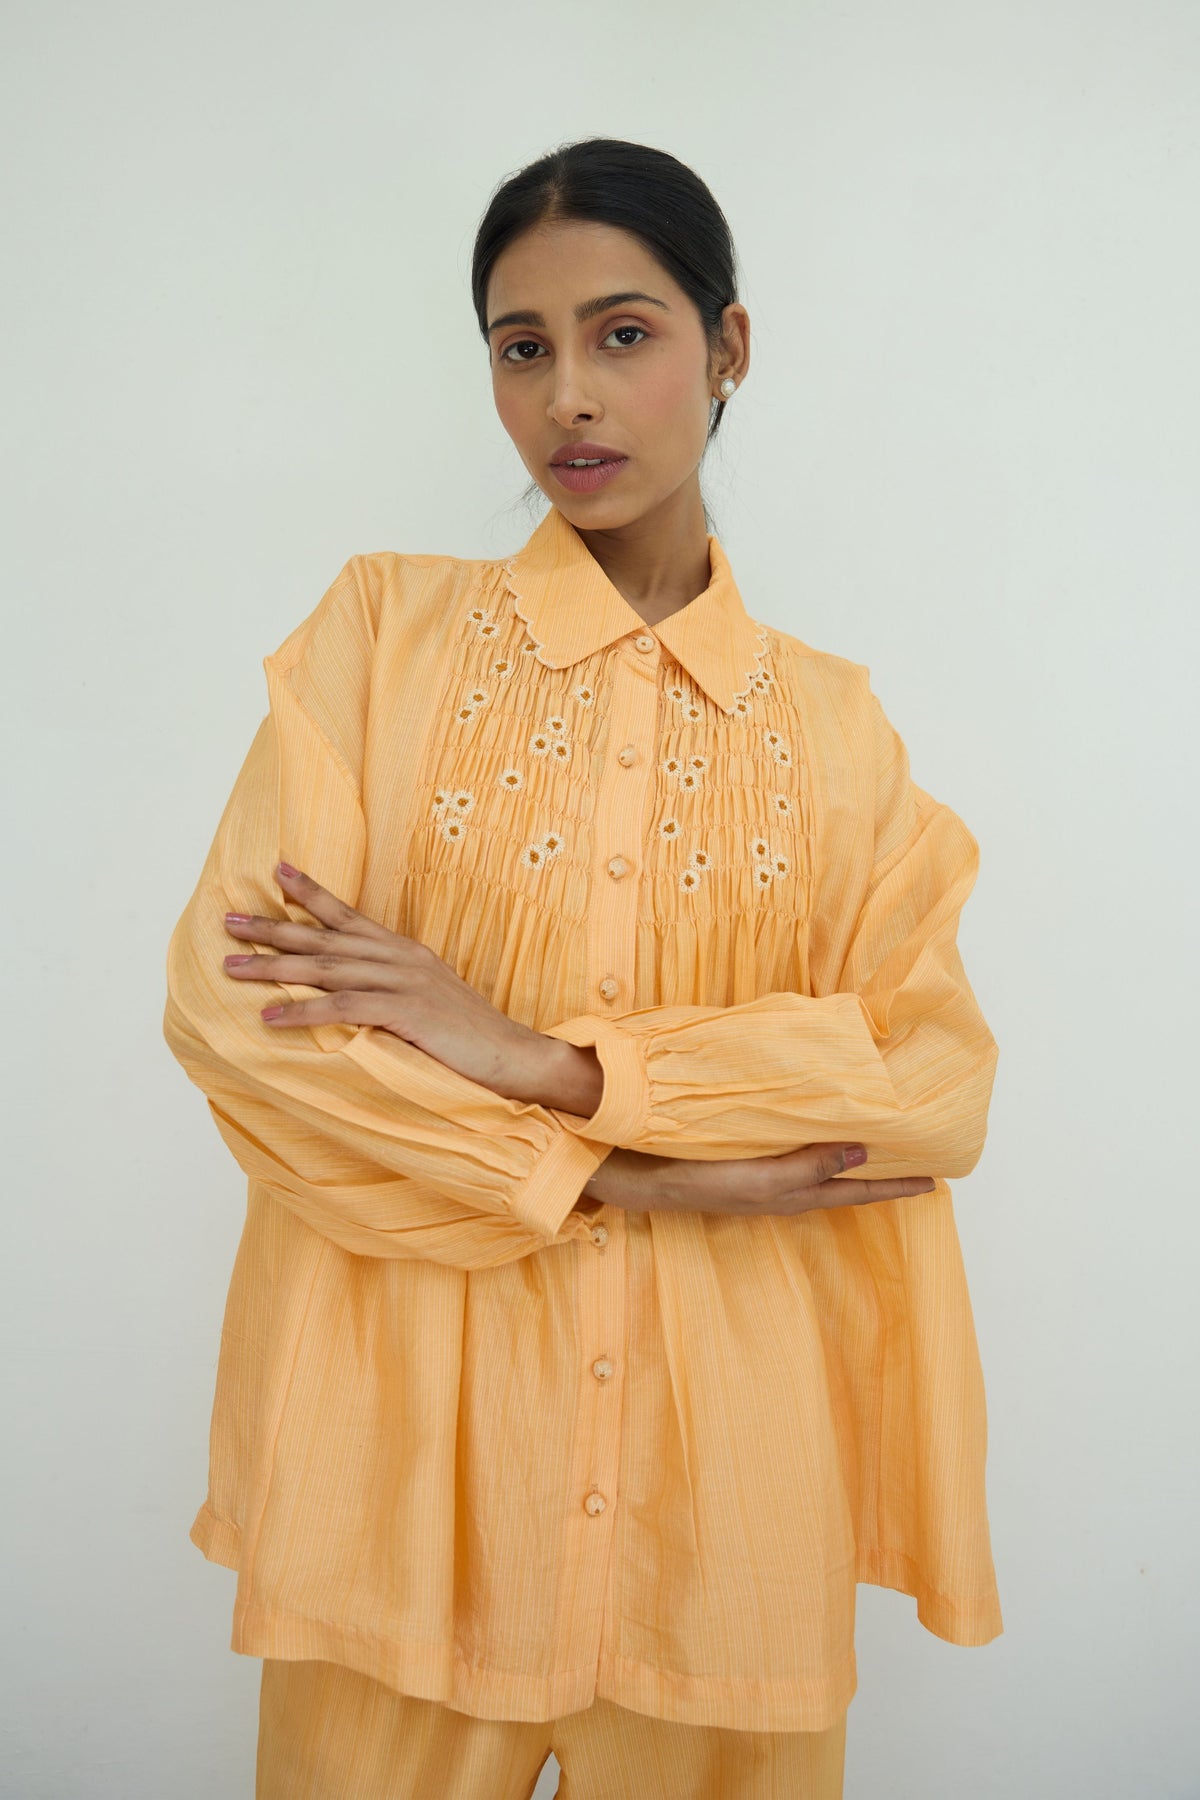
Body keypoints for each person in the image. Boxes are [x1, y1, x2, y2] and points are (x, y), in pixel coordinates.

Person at [163, 135, 1002, 1800]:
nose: (569, 399)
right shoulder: (379, 641)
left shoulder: (838, 733)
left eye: (624, 334)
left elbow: (927, 1086)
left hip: (729, 1517)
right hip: (397, 1496)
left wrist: (549, 1067)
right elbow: (242, 1019)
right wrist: (630, 1177)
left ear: (729, 348)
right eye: (521, 347)